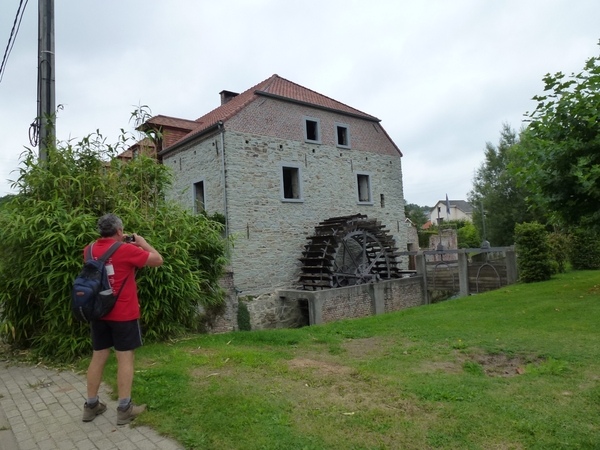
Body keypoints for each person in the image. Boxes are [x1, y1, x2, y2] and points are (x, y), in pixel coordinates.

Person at [82, 213, 163, 425]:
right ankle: (124, 409)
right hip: (123, 313)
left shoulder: (88, 250)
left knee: (98, 356)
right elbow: (158, 260)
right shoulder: (127, 249)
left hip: (98, 312)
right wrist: (143, 243)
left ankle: (91, 406)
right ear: (119, 231)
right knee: (125, 358)